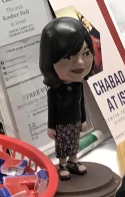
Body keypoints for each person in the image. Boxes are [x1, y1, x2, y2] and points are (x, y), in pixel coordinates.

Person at [40, 17, 94, 181]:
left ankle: (73, 161)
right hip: (61, 124)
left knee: (74, 142)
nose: (80, 63)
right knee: (63, 144)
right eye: (69, 57)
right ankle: (62, 164)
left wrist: (83, 119)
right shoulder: (54, 91)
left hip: (75, 121)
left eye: (86, 53)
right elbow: (52, 110)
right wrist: (51, 127)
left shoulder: (78, 86)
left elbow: (81, 103)